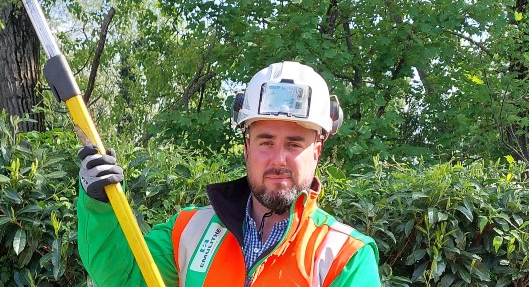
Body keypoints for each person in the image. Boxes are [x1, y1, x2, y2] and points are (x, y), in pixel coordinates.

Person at [76, 61, 381, 286]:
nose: (278, 159)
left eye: (294, 143)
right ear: (247, 148)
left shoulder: (344, 257)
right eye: (266, 141)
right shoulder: (189, 231)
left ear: (317, 150)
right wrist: (100, 205)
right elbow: (123, 277)